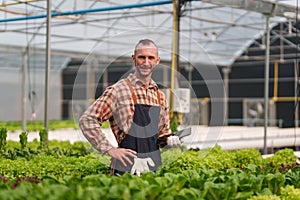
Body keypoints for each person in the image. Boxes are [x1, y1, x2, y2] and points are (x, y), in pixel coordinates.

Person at [79, 39, 181, 176]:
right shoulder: (118, 90)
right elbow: (87, 120)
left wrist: (168, 139)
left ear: (157, 61)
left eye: (151, 58)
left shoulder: (160, 96)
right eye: (141, 57)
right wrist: (109, 149)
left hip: (153, 167)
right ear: (134, 59)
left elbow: (161, 133)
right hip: (126, 167)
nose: (146, 62)